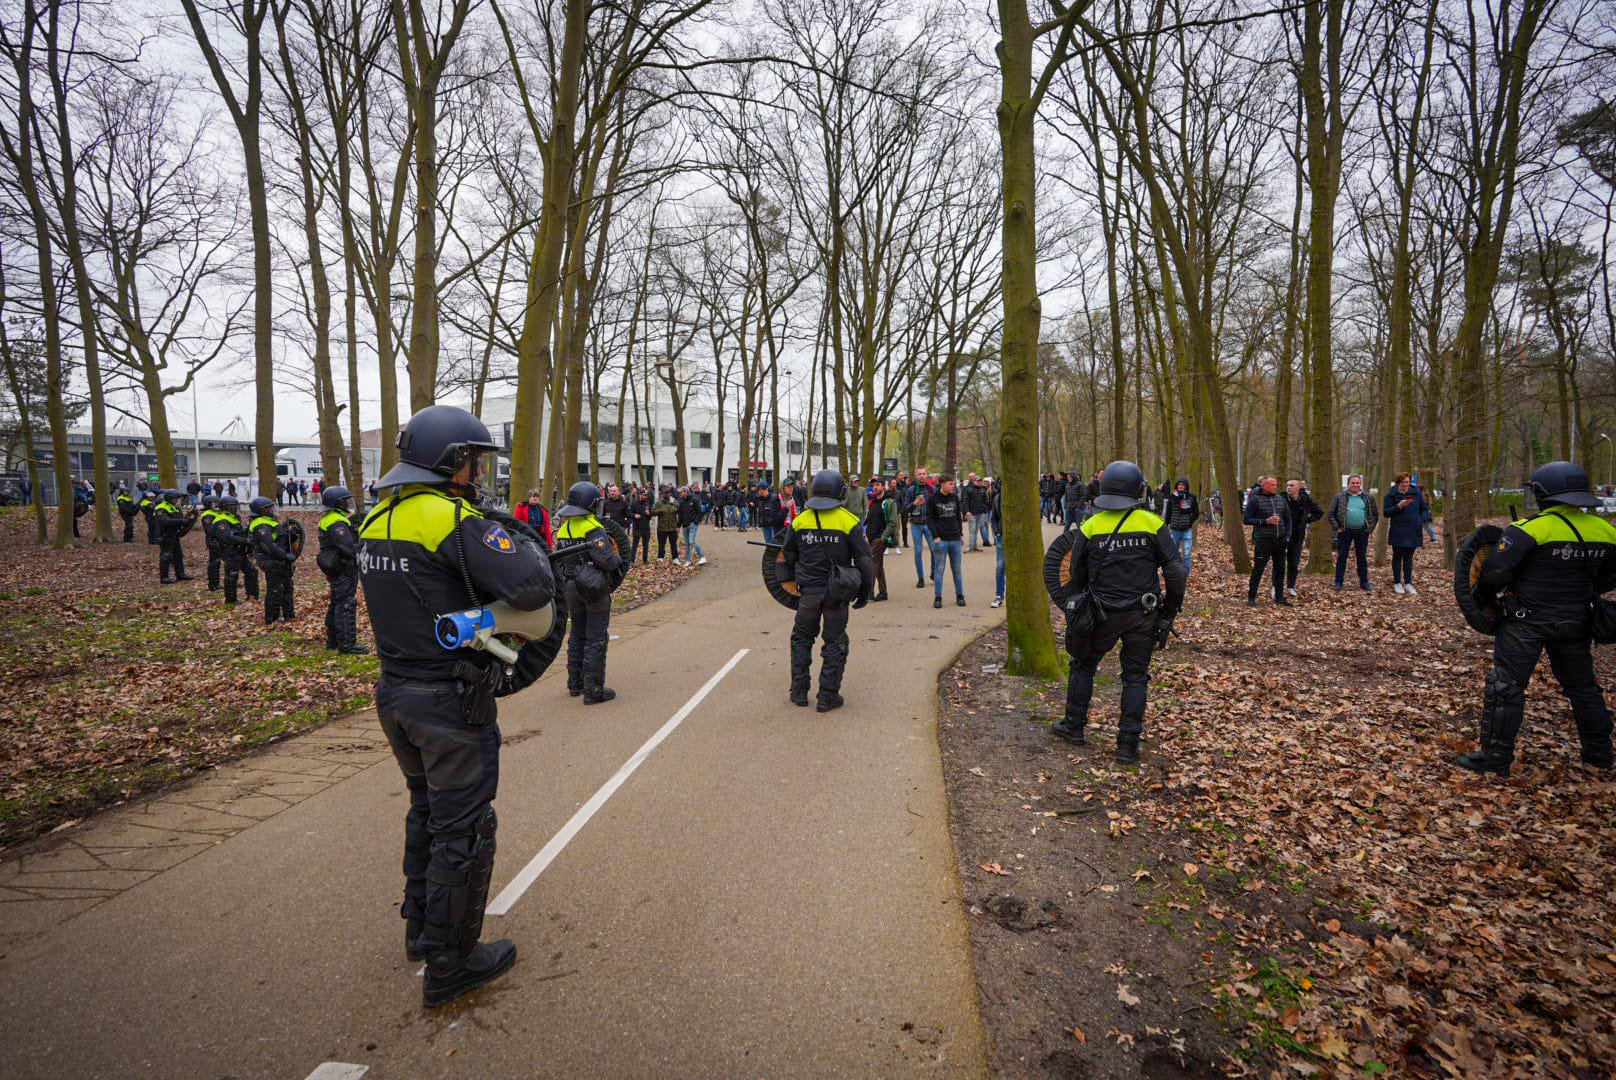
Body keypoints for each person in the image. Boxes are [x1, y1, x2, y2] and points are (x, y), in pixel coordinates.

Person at [358, 404, 555, 1007]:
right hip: (449, 700)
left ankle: (420, 929)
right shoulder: (451, 518)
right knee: (464, 828)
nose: (478, 470)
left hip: (395, 692)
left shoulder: (377, 518)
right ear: (452, 461)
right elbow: (534, 588)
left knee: (426, 810)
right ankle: (452, 961)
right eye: (474, 459)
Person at [1458, 460, 1616, 775]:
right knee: (1583, 688)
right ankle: (1599, 755)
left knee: (1506, 687)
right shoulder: (1606, 530)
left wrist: (1485, 603)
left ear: (1544, 493)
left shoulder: (1530, 529)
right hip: (1577, 622)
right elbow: (1608, 578)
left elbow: (1494, 573)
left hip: (1525, 623)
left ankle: (1495, 759)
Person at [1047, 460, 1186, 763]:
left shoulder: (1091, 525)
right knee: (1135, 676)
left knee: (1083, 665)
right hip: (1143, 614)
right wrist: (1169, 611)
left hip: (1101, 615)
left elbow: (1075, 573)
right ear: (1138, 489)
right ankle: (1127, 745)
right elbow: (1176, 572)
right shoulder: (1152, 524)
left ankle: (1073, 726)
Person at [779, 470, 874, 712]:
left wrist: (790, 584)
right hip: (837, 593)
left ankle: (799, 692)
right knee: (835, 642)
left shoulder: (801, 520)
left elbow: (786, 555)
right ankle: (827, 696)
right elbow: (864, 559)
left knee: (801, 639)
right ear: (840, 492)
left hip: (808, 592)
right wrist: (865, 592)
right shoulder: (848, 520)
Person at [552, 481, 622, 703]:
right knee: (596, 637)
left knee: (577, 634)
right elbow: (606, 561)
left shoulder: (565, 528)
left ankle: (575, 683)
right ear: (591, 505)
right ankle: (594, 690)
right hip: (592, 586)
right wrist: (618, 558)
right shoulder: (592, 528)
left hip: (571, 586)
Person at [317, 486, 367, 654]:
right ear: (337, 503)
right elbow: (347, 547)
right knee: (345, 604)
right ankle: (347, 644)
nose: (348, 503)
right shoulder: (336, 522)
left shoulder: (331, 518)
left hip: (337, 567)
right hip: (343, 568)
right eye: (345, 501)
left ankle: (333, 641)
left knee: (337, 602)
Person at [1241, 475, 1290, 606]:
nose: (1275, 487)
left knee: (1280, 569)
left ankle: (1279, 597)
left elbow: (1288, 519)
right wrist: (1265, 521)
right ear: (1264, 486)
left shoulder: (1281, 499)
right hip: (1264, 540)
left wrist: (1287, 536)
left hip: (1280, 540)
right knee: (1258, 568)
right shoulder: (1255, 500)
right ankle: (1251, 597)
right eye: (1272, 485)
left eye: (1276, 485)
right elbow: (1246, 520)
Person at [249, 495, 297, 623]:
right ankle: (272, 618)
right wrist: (285, 556)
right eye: (270, 508)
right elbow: (269, 546)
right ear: (263, 510)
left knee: (287, 587)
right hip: (270, 561)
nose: (273, 510)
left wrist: (292, 535)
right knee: (275, 590)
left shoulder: (270, 522)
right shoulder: (260, 525)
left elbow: (280, 540)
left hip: (280, 560)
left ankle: (289, 615)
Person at [1327, 474, 1378, 592]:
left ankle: (1364, 582)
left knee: (1362, 557)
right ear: (1348, 484)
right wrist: (1337, 527)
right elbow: (1331, 514)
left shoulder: (1368, 497)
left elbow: (1375, 514)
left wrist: (1369, 528)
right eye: (1353, 483)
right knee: (1342, 557)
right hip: (1345, 531)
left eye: (1357, 482)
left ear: (1360, 484)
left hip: (1362, 531)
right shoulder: (1340, 497)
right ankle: (1338, 582)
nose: (1355, 485)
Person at [1383, 473, 1429, 594]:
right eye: (1403, 482)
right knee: (1397, 556)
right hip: (1398, 530)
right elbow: (1386, 512)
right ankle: (1397, 582)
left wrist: (1421, 519)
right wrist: (1398, 506)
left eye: (1407, 482)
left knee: (1409, 557)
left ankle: (1408, 582)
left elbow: (1424, 509)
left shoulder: (1416, 493)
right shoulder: (1391, 495)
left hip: (1413, 530)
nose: (1405, 484)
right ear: (1398, 483)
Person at [1281, 478, 1326, 598]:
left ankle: (1291, 586)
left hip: (1298, 535)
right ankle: (1276, 586)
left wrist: (1305, 520)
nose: (1288, 487)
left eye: (1292, 485)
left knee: (1294, 562)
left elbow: (1319, 512)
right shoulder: (1281, 498)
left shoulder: (1306, 500)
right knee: (1279, 562)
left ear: (1299, 487)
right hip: (1282, 534)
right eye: (1287, 485)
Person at [927, 474, 966, 608]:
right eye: (950, 483)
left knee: (957, 570)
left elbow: (958, 517)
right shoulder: (933, 499)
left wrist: (960, 534)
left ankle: (960, 596)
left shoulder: (954, 497)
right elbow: (930, 519)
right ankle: (938, 597)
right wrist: (935, 536)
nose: (953, 486)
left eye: (953, 484)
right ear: (942, 484)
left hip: (955, 539)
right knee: (939, 570)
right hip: (941, 540)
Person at [214, 495, 259, 605]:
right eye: (232, 506)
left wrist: (250, 527)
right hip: (230, 552)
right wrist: (245, 540)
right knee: (232, 575)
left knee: (252, 571)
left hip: (240, 551)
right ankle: (230, 600)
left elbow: (240, 533)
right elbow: (226, 537)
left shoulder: (234, 517)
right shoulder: (221, 520)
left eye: (235, 506)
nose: (235, 508)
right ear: (225, 507)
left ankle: (252, 595)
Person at [864, 476, 898, 601]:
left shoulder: (889, 502)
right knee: (878, 564)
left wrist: (883, 537)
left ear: (883, 486)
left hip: (880, 538)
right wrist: (865, 534)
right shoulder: (872, 502)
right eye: (873, 485)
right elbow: (869, 520)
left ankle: (869, 592)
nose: (875, 487)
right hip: (871, 537)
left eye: (877, 485)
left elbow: (893, 522)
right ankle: (883, 592)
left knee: (872, 563)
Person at [154, 489, 196, 583]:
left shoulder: (174, 507)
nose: (177, 500)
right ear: (169, 498)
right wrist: (181, 521)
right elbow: (164, 521)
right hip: (165, 535)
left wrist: (189, 517)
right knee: (166, 556)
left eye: (177, 499)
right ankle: (164, 577)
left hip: (174, 534)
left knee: (178, 555)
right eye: (175, 499)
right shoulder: (161, 507)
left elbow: (179, 518)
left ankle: (180, 574)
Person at [907, 468, 935, 587]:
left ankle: (934, 572)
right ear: (916, 476)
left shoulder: (932, 489)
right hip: (916, 525)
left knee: (934, 550)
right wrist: (914, 504)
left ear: (926, 475)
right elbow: (904, 508)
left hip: (929, 524)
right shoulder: (911, 490)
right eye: (919, 474)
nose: (922, 476)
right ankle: (920, 577)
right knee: (918, 551)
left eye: (923, 474)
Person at [1165, 479, 1199, 573]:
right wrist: (1165, 525)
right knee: (1174, 554)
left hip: (1186, 530)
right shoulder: (1172, 497)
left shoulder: (1191, 498)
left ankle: (1186, 574)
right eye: (1179, 485)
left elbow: (1196, 513)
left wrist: (1189, 521)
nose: (1180, 486)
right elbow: (1168, 513)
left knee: (1187, 555)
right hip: (1175, 530)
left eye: (1183, 485)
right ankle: (1176, 572)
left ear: (1186, 486)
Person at [199, 494, 224, 590]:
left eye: (217, 503)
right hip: (213, 541)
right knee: (214, 562)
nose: (216, 505)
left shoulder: (215, 513)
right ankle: (214, 583)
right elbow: (210, 530)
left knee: (220, 561)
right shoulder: (208, 515)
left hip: (219, 540)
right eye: (214, 503)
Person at [678, 486, 706, 566]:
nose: (680, 493)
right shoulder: (681, 501)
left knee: (692, 541)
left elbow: (699, 512)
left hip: (693, 525)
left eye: (681, 492)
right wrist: (678, 526)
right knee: (687, 544)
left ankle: (703, 557)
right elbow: (680, 515)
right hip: (685, 526)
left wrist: (695, 522)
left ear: (686, 492)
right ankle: (688, 560)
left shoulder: (694, 500)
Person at [652, 487, 680, 561]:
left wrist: (673, 506)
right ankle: (660, 557)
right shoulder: (658, 502)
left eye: (667, 492)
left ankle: (675, 558)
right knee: (661, 544)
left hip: (672, 527)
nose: (666, 494)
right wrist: (660, 510)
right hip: (661, 528)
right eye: (665, 493)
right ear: (662, 494)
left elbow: (678, 509)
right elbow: (653, 512)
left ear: (669, 493)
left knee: (673, 544)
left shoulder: (674, 501)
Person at [991, 477, 1006, 607]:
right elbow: (994, 518)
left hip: (1017, 540)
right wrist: (996, 532)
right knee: (1000, 566)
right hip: (1001, 536)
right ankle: (999, 595)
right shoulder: (997, 499)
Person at [630, 487, 652, 562]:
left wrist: (649, 514)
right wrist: (634, 515)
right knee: (635, 544)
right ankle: (631, 560)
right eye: (644, 495)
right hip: (637, 527)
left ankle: (645, 560)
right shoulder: (634, 503)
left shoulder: (648, 503)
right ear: (640, 495)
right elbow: (629, 513)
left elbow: (651, 516)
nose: (645, 496)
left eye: (646, 495)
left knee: (646, 545)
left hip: (646, 528)